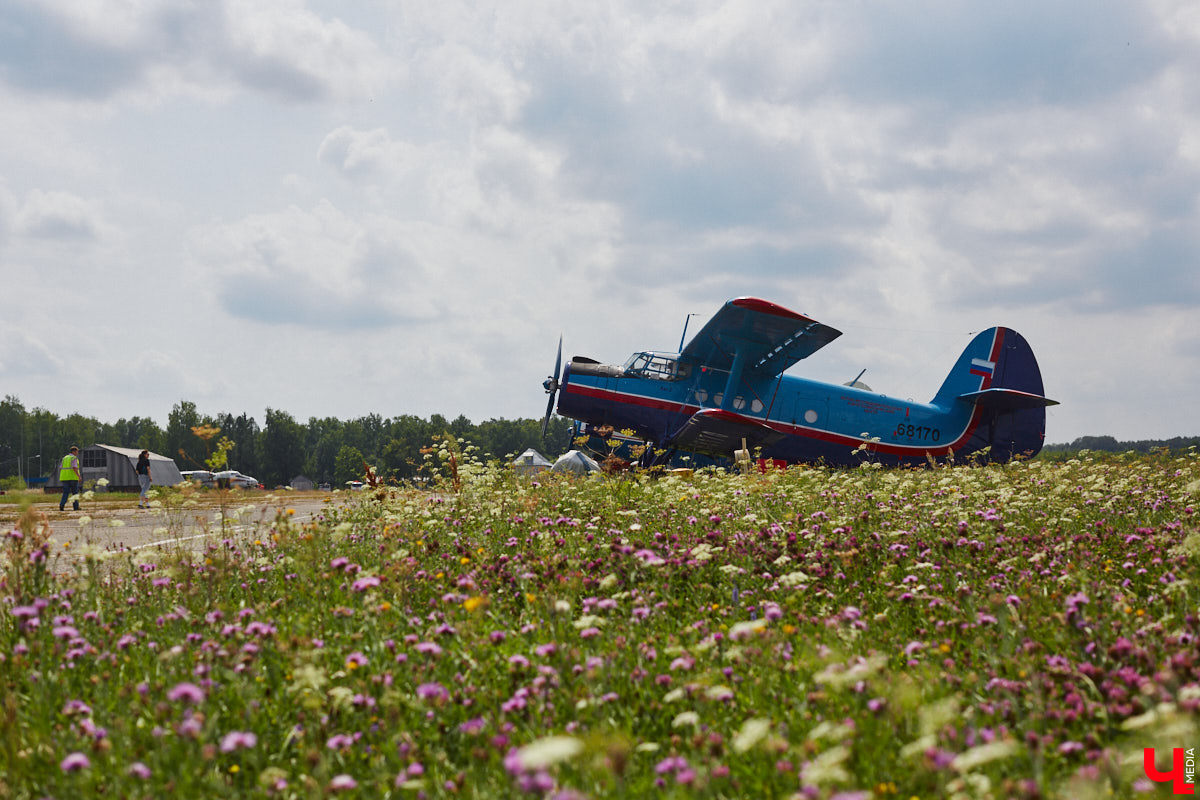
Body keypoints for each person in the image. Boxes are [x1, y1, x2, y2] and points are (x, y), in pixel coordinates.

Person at [59, 446, 82, 512]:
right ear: (73, 451)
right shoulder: (73, 458)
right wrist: (79, 476)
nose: (77, 453)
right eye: (77, 451)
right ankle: (76, 507)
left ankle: (62, 505)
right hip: (73, 478)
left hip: (65, 478)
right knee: (75, 493)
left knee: (65, 493)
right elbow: (74, 467)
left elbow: (61, 468)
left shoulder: (64, 458)